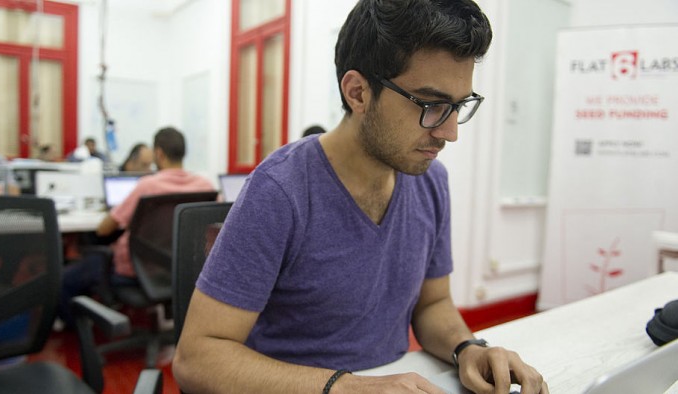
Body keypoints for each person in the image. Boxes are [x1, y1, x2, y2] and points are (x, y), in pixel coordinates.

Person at [173, 1, 548, 393]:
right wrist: (349, 387)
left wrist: (467, 348)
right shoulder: (280, 191)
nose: (450, 132)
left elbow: (433, 304)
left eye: (458, 106)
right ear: (358, 93)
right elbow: (197, 358)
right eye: (432, 105)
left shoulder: (430, 180)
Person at [58, 127, 214, 327]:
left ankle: (79, 334)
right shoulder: (205, 185)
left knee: (64, 279)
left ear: (158, 153)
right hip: (182, 269)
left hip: (134, 271)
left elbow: (104, 229)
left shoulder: (147, 186)